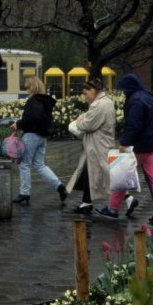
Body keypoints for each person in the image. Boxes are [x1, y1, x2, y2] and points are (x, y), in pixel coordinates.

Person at [98, 73, 153, 223]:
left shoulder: (135, 101)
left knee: (121, 175)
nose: (123, 92)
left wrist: (124, 142)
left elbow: (133, 125)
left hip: (136, 147)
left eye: (124, 89)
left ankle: (113, 209)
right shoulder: (147, 97)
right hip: (150, 145)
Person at [10, 77, 67, 206]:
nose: (26, 90)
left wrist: (18, 123)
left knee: (24, 164)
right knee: (40, 165)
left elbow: (32, 119)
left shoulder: (33, 101)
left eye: (27, 87)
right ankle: (60, 187)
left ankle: (24, 193)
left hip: (31, 136)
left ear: (32, 87)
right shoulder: (44, 102)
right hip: (42, 136)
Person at [64, 79, 115, 215]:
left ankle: (128, 199)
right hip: (100, 143)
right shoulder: (108, 102)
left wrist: (78, 120)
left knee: (108, 174)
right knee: (89, 171)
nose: (85, 97)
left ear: (93, 91)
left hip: (97, 145)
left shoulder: (98, 105)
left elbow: (88, 125)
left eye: (86, 94)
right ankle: (86, 202)